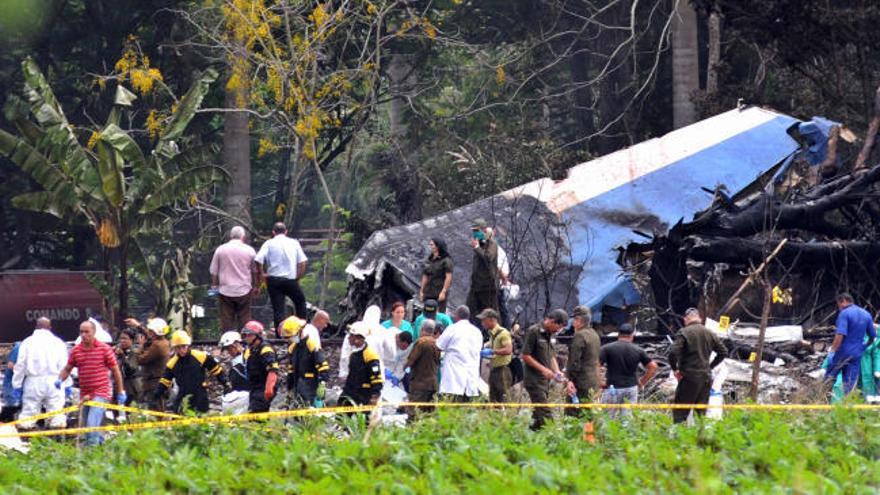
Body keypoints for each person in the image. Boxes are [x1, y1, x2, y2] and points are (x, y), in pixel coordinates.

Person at [56, 320, 125, 446]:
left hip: (101, 392)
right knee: (87, 427)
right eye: (81, 332)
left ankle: (93, 454)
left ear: (94, 332)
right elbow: (68, 368)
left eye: (87, 332)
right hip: (85, 394)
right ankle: (100, 449)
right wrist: (60, 379)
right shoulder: (76, 351)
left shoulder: (104, 349)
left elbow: (116, 370)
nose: (83, 335)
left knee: (92, 425)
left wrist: (120, 391)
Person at [668, 308, 728, 424]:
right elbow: (723, 351)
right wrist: (710, 367)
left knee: (680, 412)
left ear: (686, 319)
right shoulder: (709, 333)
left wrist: (675, 369)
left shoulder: (684, 332)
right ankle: (700, 437)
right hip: (705, 378)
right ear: (700, 319)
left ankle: (678, 438)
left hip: (688, 377)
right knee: (700, 413)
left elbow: (672, 353)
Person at [12, 317, 69, 429]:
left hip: (33, 382)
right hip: (55, 381)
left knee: (28, 414)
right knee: (57, 414)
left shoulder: (27, 342)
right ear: (50, 328)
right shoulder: (58, 342)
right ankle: (58, 440)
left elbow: (20, 365)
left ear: (36, 327)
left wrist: (16, 385)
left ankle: (27, 439)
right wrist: (66, 384)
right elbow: (65, 366)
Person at [522, 309, 574, 430]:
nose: (558, 330)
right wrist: (543, 370)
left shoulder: (550, 334)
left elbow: (551, 355)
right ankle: (554, 436)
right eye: (559, 326)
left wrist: (557, 371)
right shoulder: (534, 331)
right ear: (551, 321)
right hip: (533, 380)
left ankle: (531, 438)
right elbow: (525, 355)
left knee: (537, 415)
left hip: (544, 381)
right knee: (544, 412)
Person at [154, 331, 226, 413]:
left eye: (183, 346)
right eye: (178, 347)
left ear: (188, 345)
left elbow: (216, 369)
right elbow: (165, 381)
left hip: (200, 397)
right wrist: (157, 394)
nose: (181, 350)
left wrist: (225, 382)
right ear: (174, 348)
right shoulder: (172, 364)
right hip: (183, 398)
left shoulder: (200, 356)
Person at [255, 222, 309, 331]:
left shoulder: (269, 243)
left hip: (274, 280)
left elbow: (258, 259)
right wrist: (298, 277)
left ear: (273, 232)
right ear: (286, 232)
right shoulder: (294, 243)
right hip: (290, 279)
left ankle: (280, 334)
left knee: (278, 308)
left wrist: (262, 274)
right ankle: (301, 329)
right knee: (300, 302)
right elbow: (302, 262)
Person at [599, 323, 658, 420]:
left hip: (612, 388)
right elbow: (653, 367)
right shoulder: (638, 350)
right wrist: (642, 382)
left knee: (607, 420)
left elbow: (596, 365)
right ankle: (626, 435)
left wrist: (600, 382)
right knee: (627, 421)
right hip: (631, 388)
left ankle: (607, 435)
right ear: (632, 335)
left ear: (618, 334)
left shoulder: (607, 348)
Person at [210, 225, 259, 332]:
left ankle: (227, 340)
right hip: (244, 289)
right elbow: (255, 271)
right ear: (243, 237)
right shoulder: (249, 250)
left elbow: (214, 271)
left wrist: (214, 287)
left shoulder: (220, 249)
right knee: (244, 317)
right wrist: (256, 286)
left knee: (226, 318)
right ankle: (245, 340)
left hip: (225, 290)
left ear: (231, 236)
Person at [826, 293, 877, 395]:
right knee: (849, 384)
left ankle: (821, 402)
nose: (839, 308)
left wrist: (832, 351)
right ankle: (848, 406)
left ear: (844, 301)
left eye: (839, 305)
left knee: (829, 379)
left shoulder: (845, 313)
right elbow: (872, 336)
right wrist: (864, 346)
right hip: (857, 354)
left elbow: (840, 334)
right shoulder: (866, 314)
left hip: (842, 353)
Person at [436, 306, 483, 402]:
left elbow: (438, 346)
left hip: (453, 380)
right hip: (471, 380)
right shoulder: (477, 332)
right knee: (467, 411)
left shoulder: (452, 329)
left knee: (449, 409)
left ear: (456, 316)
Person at [281, 315, 330, 407]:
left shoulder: (311, 344)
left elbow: (323, 366)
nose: (289, 339)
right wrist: (290, 390)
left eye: (291, 336)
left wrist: (322, 385)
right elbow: (291, 371)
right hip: (297, 386)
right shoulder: (293, 348)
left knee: (308, 413)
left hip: (310, 386)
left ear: (299, 331)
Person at [565, 306, 601, 414]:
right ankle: (590, 431)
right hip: (593, 381)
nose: (572, 324)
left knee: (574, 414)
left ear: (579, 320)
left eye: (574, 320)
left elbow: (574, 361)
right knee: (589, 415)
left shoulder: (579, 336)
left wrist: (570, 380)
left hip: (580, 383)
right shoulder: (595, 335)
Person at [129, 317, 171, 409]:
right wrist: (138, 325)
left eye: (151, 331)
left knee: (156, 410)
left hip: (154, 384)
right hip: (160, 382)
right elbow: (148, 335)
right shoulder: (164, 342)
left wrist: (140, 346)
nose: (149, 332)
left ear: (155, 332)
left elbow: (141, 360)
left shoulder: (157, 345)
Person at [340, 322, 383, 406]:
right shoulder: (354, 353)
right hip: (350, 391)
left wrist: (375, 395)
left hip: (364, 394)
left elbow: (376, 377)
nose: (348, 338)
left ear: (358, 338)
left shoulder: (370, 355)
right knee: (341, 415)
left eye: (351, 336)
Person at [241, 320, 280, 413]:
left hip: (264, 386)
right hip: (255, 387)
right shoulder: (250, 350)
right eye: (245, 335)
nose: (246, 338)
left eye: (249, 335)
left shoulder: (265, 349)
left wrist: (269, 388)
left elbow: (273, 370)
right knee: (255, 416)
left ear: (257, 336)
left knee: (256, 413)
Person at [405, 319, 442, 412]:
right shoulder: (437, 343)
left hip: (420, 384)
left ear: (422, 329)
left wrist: (404, 367)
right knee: (429, 413)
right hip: (433, 384)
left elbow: (410, 361)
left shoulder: (421, 342)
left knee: (414, 413)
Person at [478, 308, 513, 403]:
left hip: (502, 370)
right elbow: (490, 344)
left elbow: (508, 350)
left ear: (491, 320)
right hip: (494, 369)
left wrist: (492, 351)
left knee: (501, 397)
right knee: (492, 397)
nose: (482, 323)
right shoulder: (492, 334)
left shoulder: (503, 333)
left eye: (484, 320)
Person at [466, 218, 500, 317]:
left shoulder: (492, 243)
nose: (475, 233)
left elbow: (488, 257)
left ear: (484, 230)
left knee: (490, 314)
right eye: (474, 231)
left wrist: (477, 248)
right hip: (476, 285)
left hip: (488, 286)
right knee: (469, 311)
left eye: (477, 231)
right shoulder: (480, 243)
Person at [218, 331, 249, 414]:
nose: (229, 351)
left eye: (230, 348)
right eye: (227, 349)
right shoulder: (235, 362)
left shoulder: (247, 359)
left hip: (246, 396)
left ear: (237, 344)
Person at [419, 238, 453, 313]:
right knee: (426, 312)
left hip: (438, 292)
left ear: (438, 246)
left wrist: (443, 292)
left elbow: (448, 277)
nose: (431, 246)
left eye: (432, 245)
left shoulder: (446, 261)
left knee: (439, 314)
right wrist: (421, 290)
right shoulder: (429, 259)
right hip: (428, 292)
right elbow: (425, 275)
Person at [114, 328, 140, 406]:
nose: (122, 341)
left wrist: (122, 355)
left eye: (125, 338)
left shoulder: (134, 351)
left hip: (132, 387)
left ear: (131, 340)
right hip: (120, 385)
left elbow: (131, 368)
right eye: (121, 338)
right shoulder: (118, 350)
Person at [1, 342, 22, 422]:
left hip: (18, 383)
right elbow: (11, 365)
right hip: (11, 384)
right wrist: (24, 372)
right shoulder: (19, 347)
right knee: (12, 405)